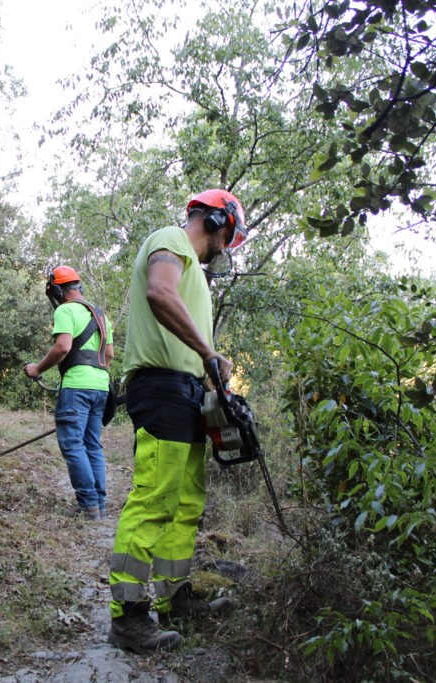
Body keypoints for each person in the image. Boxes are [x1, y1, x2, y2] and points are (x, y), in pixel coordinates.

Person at [107, 189, 247, 654]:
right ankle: (127, 617)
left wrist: (212, 383)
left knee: (186, 502)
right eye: (230, 234)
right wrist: (209, 352)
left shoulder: (198, 275)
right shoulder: (172, 239)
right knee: (155, 497)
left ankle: (174, 599)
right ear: (216, 219)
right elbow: (159, 292)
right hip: (161, 387)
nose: (228, 246)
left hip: (187, 390)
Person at [24, 266, 115, 520]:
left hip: (77, 387)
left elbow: (62, 347)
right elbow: (109, 356)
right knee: (92, 445)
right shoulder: (101, 315)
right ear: (78, 286)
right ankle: (100, 505)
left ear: (56, 290)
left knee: (73, 445)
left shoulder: (64, 310)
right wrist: (94, 375)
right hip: (101, 387)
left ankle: (88, 506)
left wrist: (37, 368)